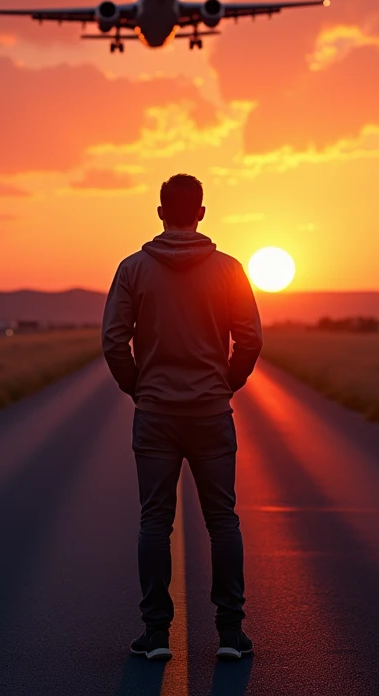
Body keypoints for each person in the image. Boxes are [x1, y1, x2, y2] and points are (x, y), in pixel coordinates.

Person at [102, 173, 263, 662]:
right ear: (201, 212)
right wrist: (225, 384)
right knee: (222, 520)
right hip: (211, 412)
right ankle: (230, 635)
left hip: (155, 414)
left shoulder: (132, 269)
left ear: (159, 213)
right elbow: (250, 339)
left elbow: (113, 340)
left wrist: (138, 387)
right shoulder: (230, 270)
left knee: (155, 522)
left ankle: (155, 636)